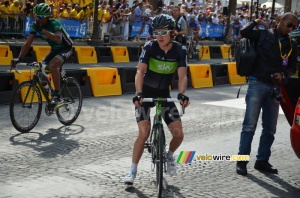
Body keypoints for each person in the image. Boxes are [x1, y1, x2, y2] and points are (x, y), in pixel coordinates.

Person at [124, 14, 190, 185]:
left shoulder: (180, 50)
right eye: (156, 32)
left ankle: (169, 155)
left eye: (163, 32)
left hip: (164, 94)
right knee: (144, 132)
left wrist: (182, 94)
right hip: (145, 93)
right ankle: (132, 170)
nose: (159, 36)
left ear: (172, 33)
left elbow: (182, 75)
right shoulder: (150, 46)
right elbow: (140, 71)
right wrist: (138, 93)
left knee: (179, 134)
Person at [236, 12, 298, 176]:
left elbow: (292, 66)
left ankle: (262, 161)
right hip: (257, 84)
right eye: (289, 24)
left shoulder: (292, 43)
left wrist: (284, 76)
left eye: (294, 26)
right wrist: (255, 22)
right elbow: (244, 33)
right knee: (249, 127)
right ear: (280, 21)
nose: (291, 28)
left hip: (275, 88)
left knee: (270, 129)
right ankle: (241, 161)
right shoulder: (263, 35)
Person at [11, 3, 73, 106]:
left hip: (66, 48)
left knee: (53, 65)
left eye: (40, 17)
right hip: (54, 50)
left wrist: (44, 31)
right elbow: (27, 43)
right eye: (36, 16)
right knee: (40, 70)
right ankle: (51, 92)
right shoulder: (36, 25)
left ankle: (57, 96)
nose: (37, 19)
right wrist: (19, 58)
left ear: (47, 17)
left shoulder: (54, 23)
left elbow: (58, 39)